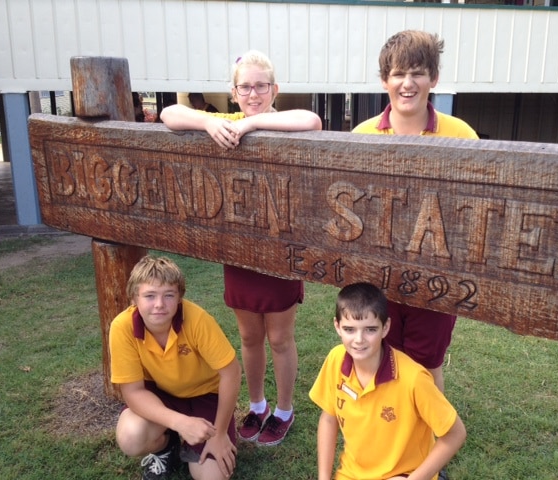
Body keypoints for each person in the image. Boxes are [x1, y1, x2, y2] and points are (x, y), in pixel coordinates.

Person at [160, 50, 322, 446]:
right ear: (233, 92)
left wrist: (250, 124)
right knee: (249, 338)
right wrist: (207, 121)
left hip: (278, 247)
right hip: (238, 248)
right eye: (245, 87)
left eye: (260, 86)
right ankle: (258, 404)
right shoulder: (225, 121)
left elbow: (313, 120)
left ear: (273, 89)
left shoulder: (279, 122)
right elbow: (167, 114)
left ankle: (284, 408)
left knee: (280, 338)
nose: (253, 94)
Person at [353, 30, 479, 394]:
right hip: (376, 277)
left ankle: (430, 437)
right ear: (384, 81)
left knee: (426, 365)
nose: (407, 84)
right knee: (380, 357)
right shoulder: (359, 136)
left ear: (433, 78)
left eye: (418, 72)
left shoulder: (462, 136)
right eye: (398, 74)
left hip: (437, 279)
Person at [309, 282, 467, 480]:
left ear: (386, 328)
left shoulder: (414, 378)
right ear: (337, 326)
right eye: (349, 329)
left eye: (370, 330)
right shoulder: (335, 359)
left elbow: (455, 433)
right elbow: (329, 417)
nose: (359, 339)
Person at [109, 255, 242, 480]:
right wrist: (180, 423)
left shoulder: (197, 319)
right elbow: (133, 392)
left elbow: (231, 372)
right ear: (134, 298)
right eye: (149, 296)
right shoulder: (122, 327)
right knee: (131, 437)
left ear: (179, 297)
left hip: (205, 395)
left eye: (168, 295)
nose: (159, 304)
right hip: (161, 394)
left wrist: (218, 434)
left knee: (213, 477)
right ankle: (166, 445)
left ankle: (200, 438)